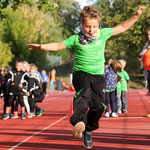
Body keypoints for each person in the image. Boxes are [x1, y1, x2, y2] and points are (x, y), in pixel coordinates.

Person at [28, 5, 146, 149]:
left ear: (98, 25)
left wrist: (136, 16)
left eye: (94, 26)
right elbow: (58, 45)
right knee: (85, 93)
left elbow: (121, 28)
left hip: (97, 75)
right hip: (81, 73)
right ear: (82, 25)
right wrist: (41, 46)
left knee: (99, 106)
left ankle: (88, 129)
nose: (91, 30)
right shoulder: (76, 39)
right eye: (87, 26)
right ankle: (78, 122)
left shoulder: (103, 34)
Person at [138, 27, 150, 94]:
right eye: (147, 35)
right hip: (147, 68)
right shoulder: (146, 45)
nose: (148, 36)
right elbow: (141, 54)